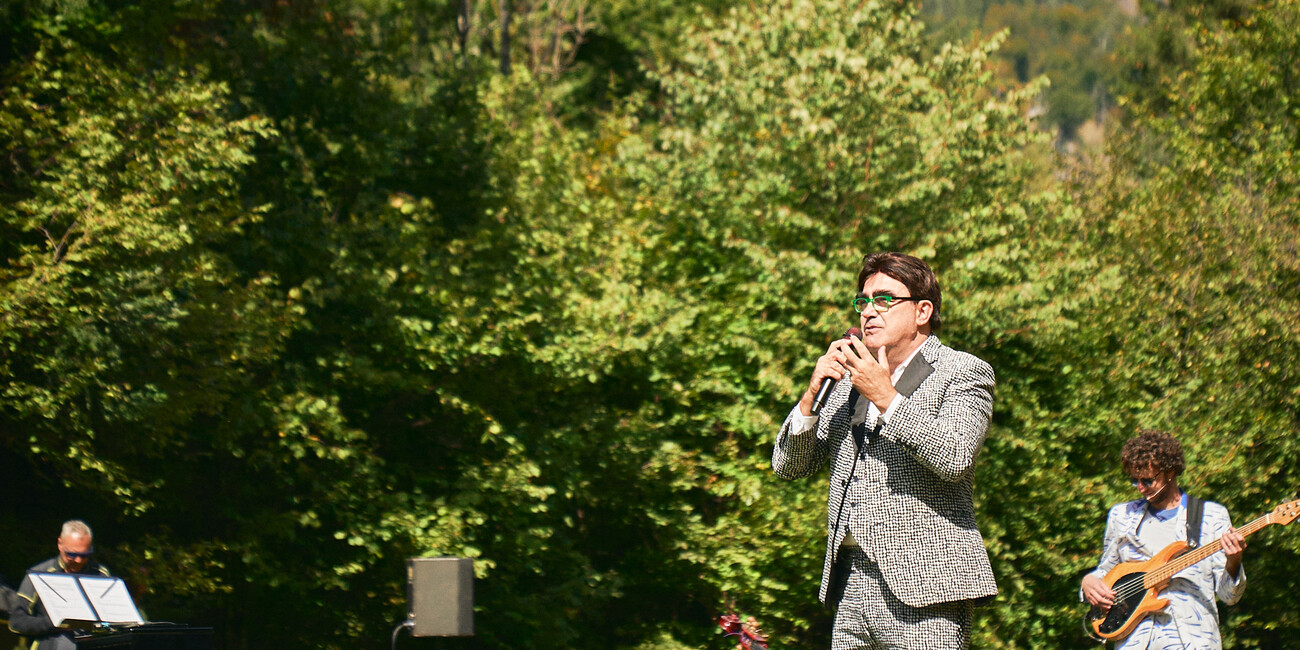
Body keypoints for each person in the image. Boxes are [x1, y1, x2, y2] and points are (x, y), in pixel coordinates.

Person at [772, 252, 998, 649]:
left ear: (922, 311)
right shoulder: (845, 381)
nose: (869, 312)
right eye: (863, 301)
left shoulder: (963, 371)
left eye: (885, 300)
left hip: (927, 589)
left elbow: (955, 455)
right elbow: (788, 466)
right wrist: (810, 398)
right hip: (850, 582)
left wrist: (886, 397)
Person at [1081, 431, 1246, 650]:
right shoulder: (1122, 516)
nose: (1140, 487)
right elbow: (1106, 572)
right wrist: (1088, 583)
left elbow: (1229, 596)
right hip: (1134, 642)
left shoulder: (1211, 516)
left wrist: (1234, 561)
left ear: (1170, 472)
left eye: (1148, 480)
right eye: (1134, 480)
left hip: (1194, 642)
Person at [10, 520, 113, 650]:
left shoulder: (101, 575)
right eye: (72, 554)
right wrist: (55, 623)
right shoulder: (39, 575)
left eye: (85, 555)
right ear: (60, 544)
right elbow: (16, 622)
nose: (78, 560)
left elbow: (113, 621)